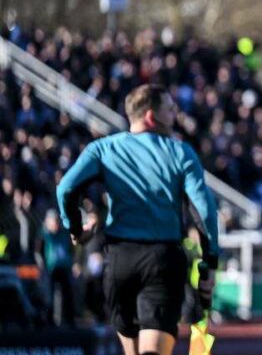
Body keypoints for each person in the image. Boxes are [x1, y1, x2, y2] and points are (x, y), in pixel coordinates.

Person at [55, 84, 219, 355]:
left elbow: (66, 189)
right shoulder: (180, 152)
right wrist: (209, 263)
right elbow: (204, 211)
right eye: (169, 108)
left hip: (120, 260)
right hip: (161, 259)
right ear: (152, 117)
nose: (175, 113)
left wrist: (75, 229)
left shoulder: (103, 149)